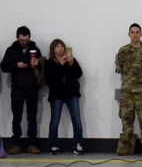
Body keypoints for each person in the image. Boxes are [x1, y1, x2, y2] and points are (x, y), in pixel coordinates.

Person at [114, 23, 142, 156]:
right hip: (127, 91)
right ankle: (127, 145)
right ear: (129, 34)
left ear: (141, 34)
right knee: (126, 119)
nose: (135, 34)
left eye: (137, 32)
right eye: (132, 32)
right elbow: (121, 67)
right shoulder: (123, 51)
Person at [1, 26, 43, 155]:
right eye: (21, 39)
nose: (24, 42)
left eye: (26, 39)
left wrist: (37, 63)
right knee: (17, 117)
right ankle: (15, 144)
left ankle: (32, 144)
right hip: (17, 88)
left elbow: (42, 67)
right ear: (17, 37)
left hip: (32, 88)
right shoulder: (11, 50)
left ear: (29, 38)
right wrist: (16, 66)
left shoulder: (35, 49)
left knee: (32, 117)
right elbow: (3, 66)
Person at [44, 39, 84, 155]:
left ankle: (78, 144)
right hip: (57, 95)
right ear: (53, 50)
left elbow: (78, 74)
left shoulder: (70, 60)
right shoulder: (49, 63)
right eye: (57, 46)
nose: (60, 48)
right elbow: (50, 79)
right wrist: (61, 65)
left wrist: (71, 63)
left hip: (71, 94)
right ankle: (53, 145)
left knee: (77, 120)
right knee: (55, 120)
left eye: (62, 46)